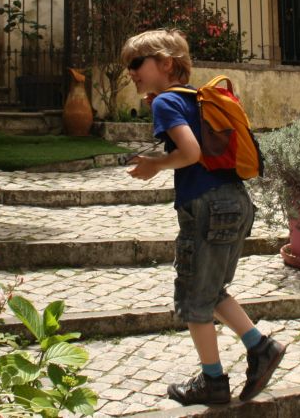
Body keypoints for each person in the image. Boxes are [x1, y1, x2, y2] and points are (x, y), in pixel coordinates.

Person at [121, 28, 285, 406]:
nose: (130, 71)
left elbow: (191, 152)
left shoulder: (165, 102)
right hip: (236, 202)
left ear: (165, 63)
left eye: (136, 63)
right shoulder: (197, 98)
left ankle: (213, 383)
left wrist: (156, 165)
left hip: (207, 206)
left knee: (195, 298)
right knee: (212, 292)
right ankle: (260, 347)